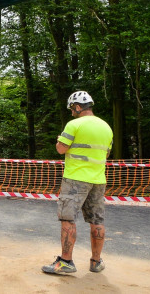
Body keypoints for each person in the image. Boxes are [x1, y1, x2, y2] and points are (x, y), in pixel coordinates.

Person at [42, 90, 113, 275]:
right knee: (97, 220)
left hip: (75, 179)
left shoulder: (74, 124)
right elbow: (106, 154)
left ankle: (66, 262)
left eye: (72, 108)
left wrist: (59, 141)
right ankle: (96, 262)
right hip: (98, 180)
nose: (72, 112)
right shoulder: (106, 127)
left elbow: (61, 149)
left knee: (68, 219)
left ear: (78, 107)